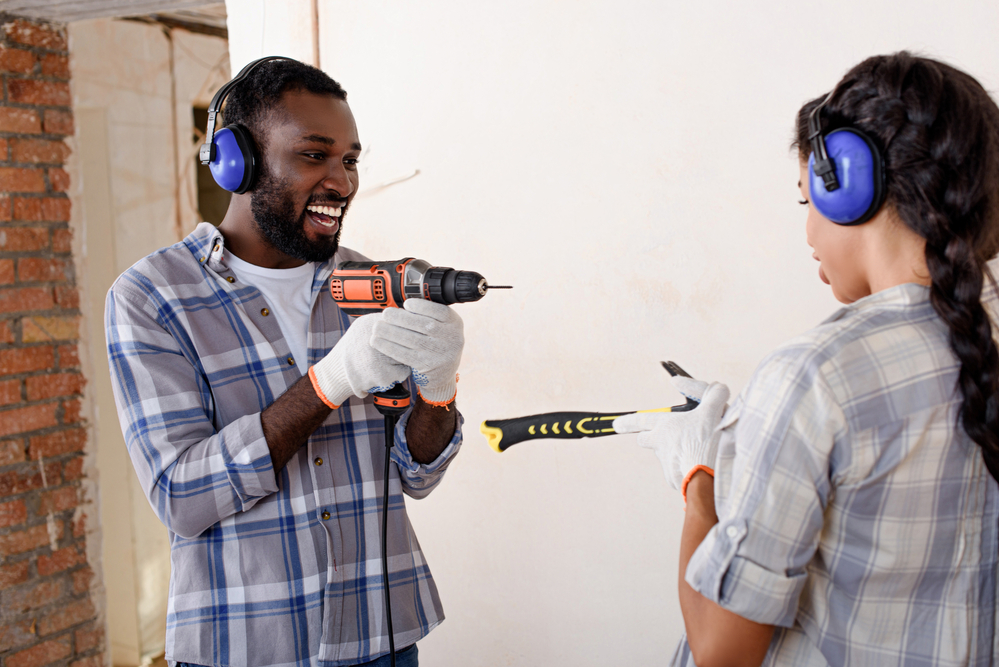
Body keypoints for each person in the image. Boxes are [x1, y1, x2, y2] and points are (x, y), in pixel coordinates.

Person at [615, 52, 999, 666]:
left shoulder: (818, 376)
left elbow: (721, 652)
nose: (809, 233)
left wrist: (698, 483)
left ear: (846, 184)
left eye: (806, 201)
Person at [105, 58, 463, 667]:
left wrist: (438, 387)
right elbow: (181, 495)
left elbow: (416, 476)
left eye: (349, 159)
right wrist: (328, 383)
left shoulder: (369, 281)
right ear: (236, 162)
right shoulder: (152, 298)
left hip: (382, 638)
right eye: (313, 155)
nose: (342, 182)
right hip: (247, 646)